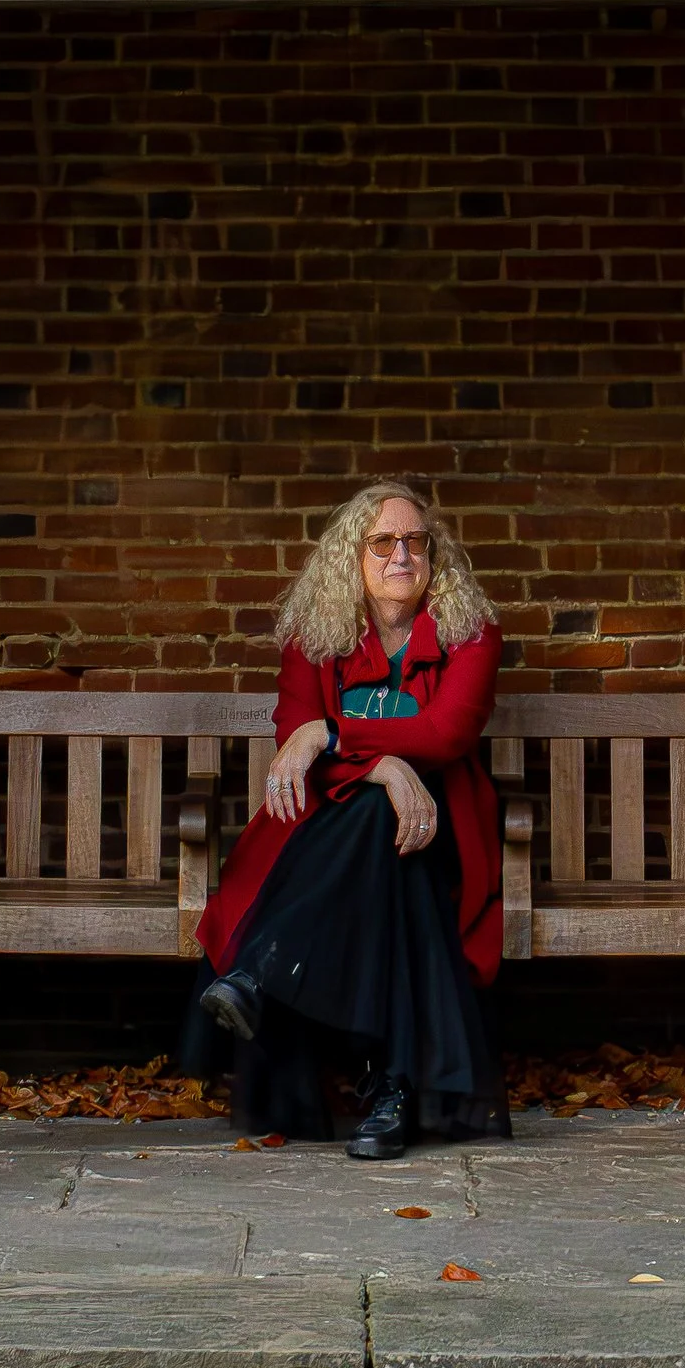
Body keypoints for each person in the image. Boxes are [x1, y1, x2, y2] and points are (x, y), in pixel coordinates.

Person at [181, 478, 509, 1158]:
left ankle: (263, 974)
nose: (402, 556)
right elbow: (290, 745)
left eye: (416, 542)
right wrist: (384, 768)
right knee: (381, 842)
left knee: (390, 834)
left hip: (440, 829)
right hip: (337, 837)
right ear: (351, 557)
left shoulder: (471, 634)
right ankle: (391, 1090)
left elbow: (448, 734)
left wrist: (331, 735)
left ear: (433, 556)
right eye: (382, 542)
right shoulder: (315, 637)